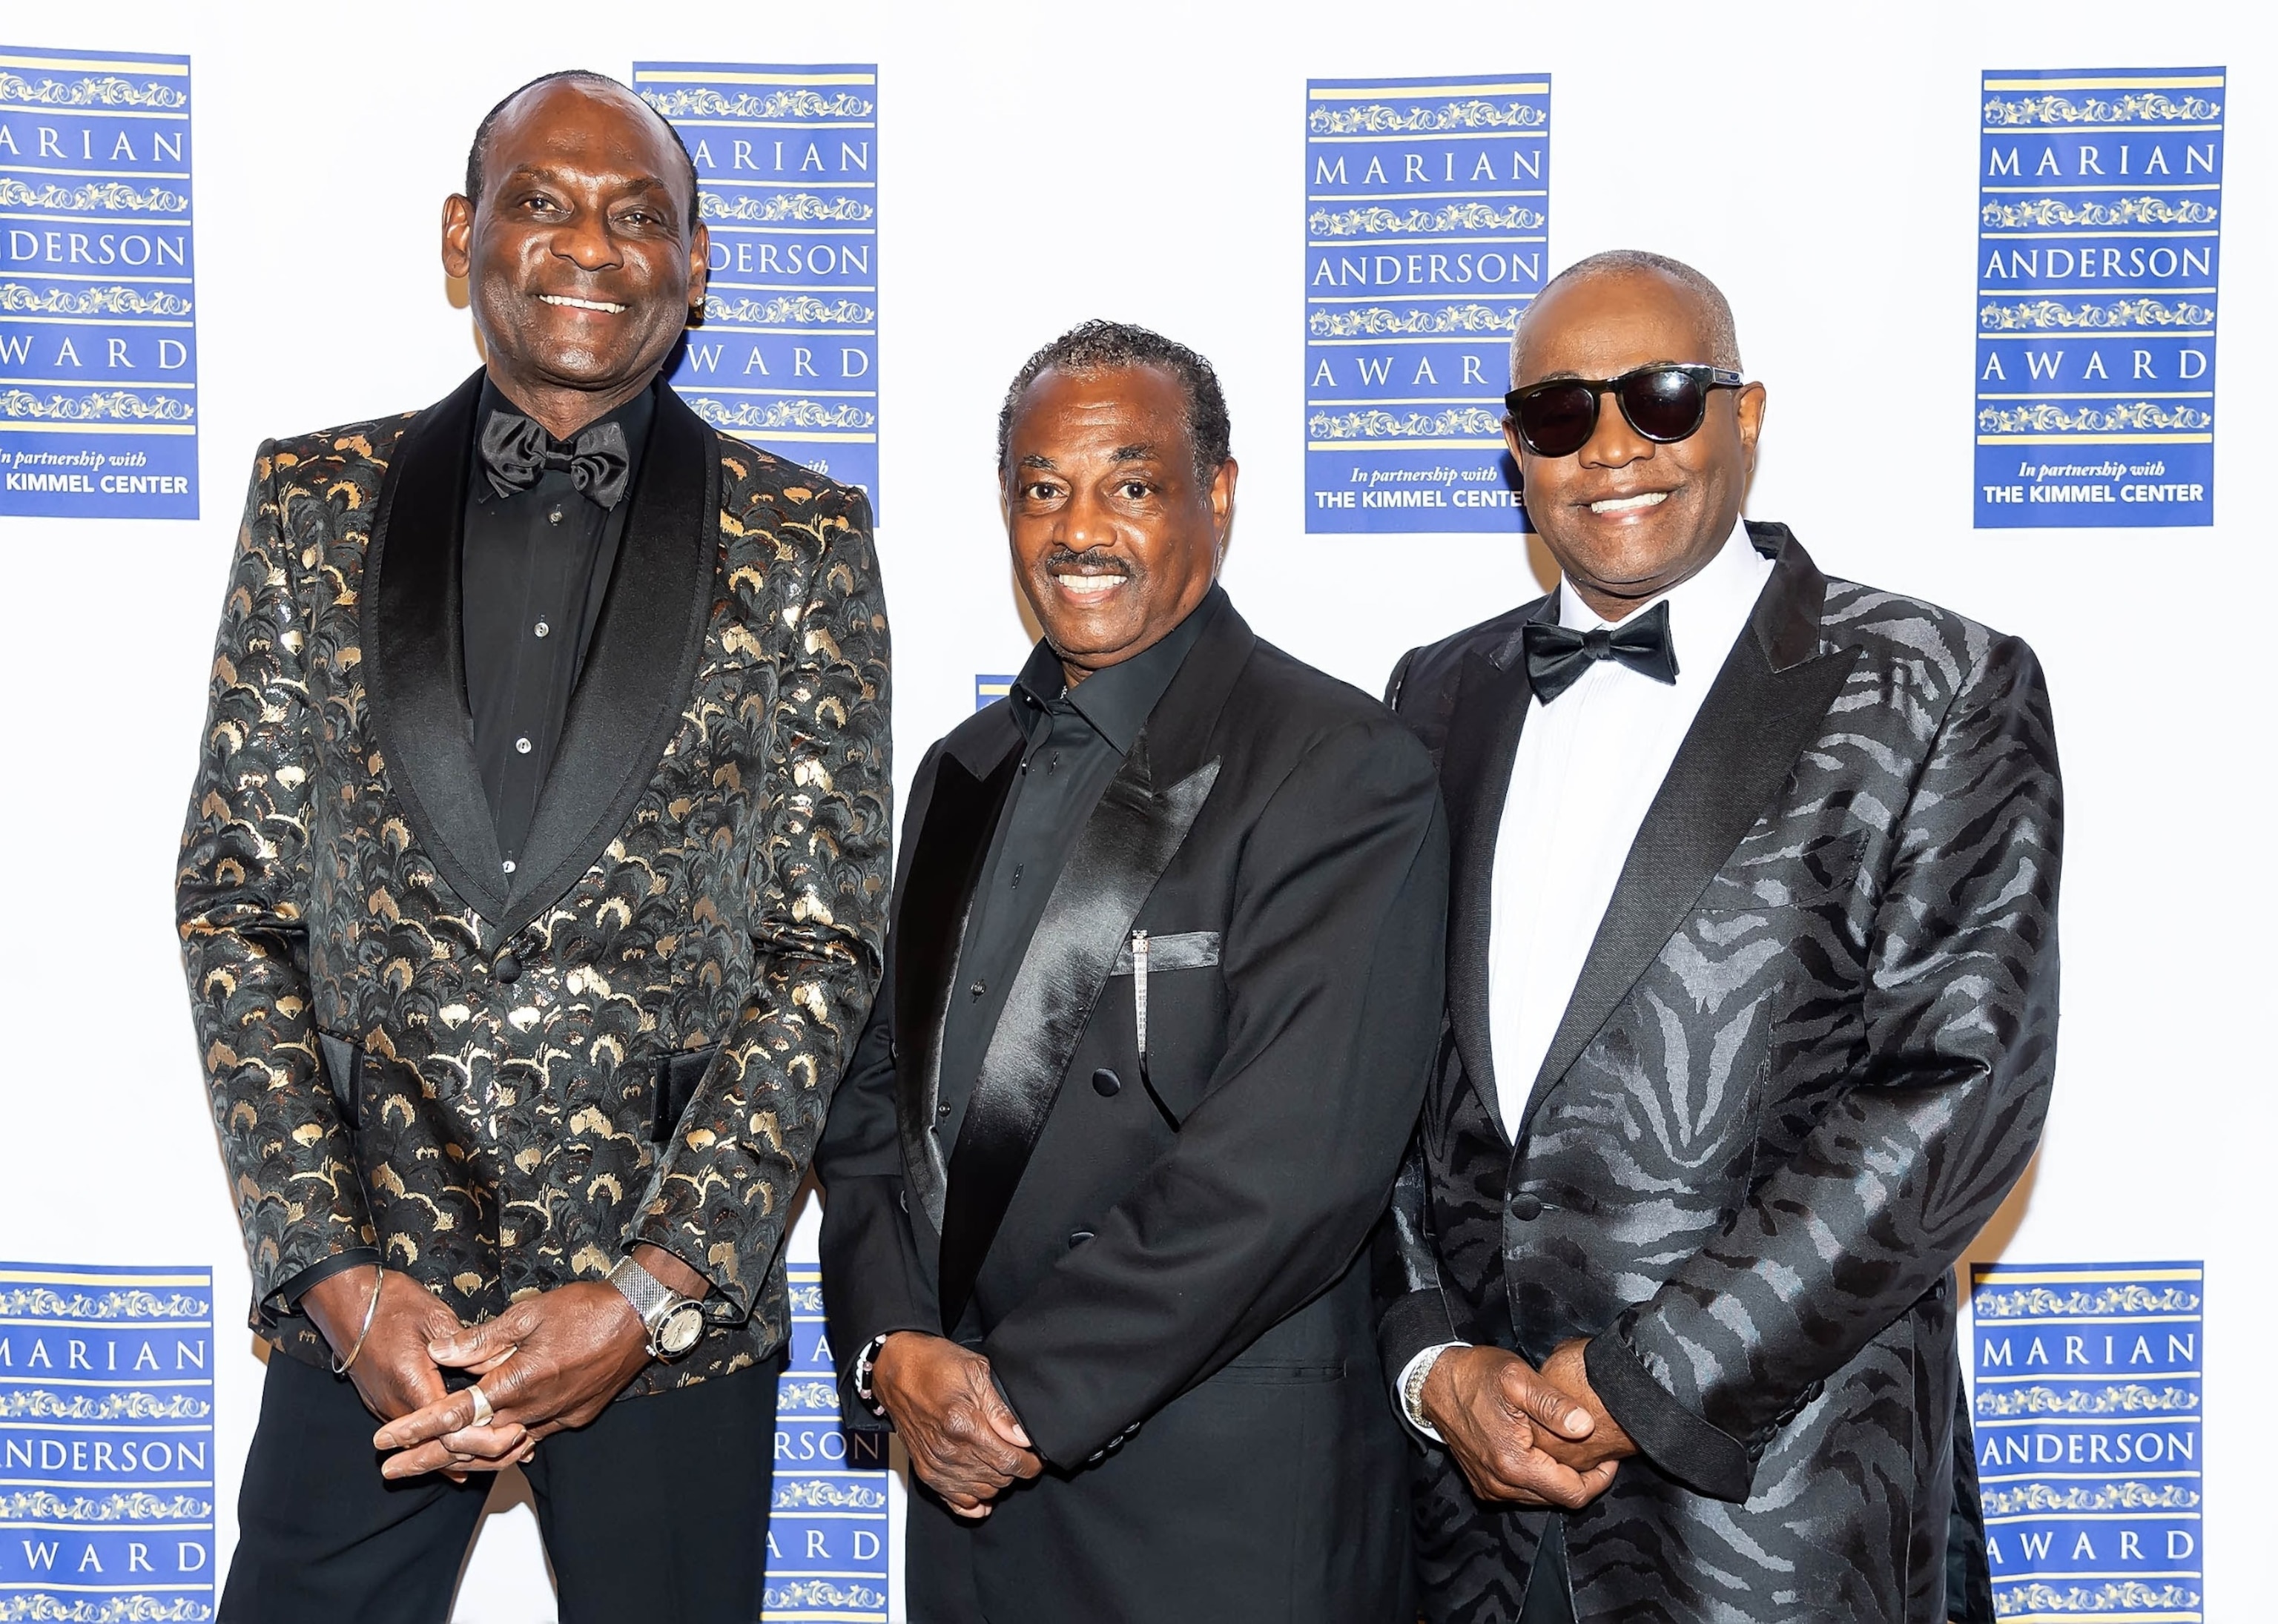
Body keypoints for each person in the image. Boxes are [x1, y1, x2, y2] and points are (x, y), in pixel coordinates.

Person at [174, 70, 890, 1623]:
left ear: (696, 266)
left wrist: (652, 1290)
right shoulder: (314, 502)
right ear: (464, 238)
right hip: (374, 1312)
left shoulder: (805, 538)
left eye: (642, 216)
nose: (592, 245)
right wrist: (331, 1270)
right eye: (544, 202)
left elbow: (823, 945)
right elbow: (238, 904)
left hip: (660, 1327)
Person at [1377, 250, 2059, 1624]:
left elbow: (1957, 1090)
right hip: (1477, 1535)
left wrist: (1648, 1381)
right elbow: (1376, 1073)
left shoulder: (1934, 680)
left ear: (1745, 418)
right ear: (1518, 451)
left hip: (1780, 1525)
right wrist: (1428, 1355)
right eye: (1563, 413)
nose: (1615, 445)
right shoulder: (1434, 696)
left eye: (1666, 398)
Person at [814, 320, 1448, 1622]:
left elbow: (1290, 1169)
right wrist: (896, 1350)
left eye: (1130, 484)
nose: (1077, 526)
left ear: (1216, 493)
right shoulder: (961, 766)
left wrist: (1022, 1398)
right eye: (1043, 487)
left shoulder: (1337, 761)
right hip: (971, 1494)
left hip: (1215, 1499)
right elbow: (872, 1091)